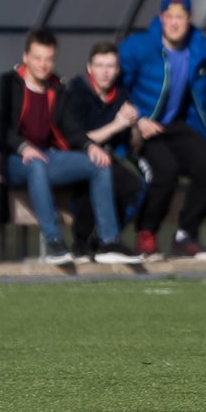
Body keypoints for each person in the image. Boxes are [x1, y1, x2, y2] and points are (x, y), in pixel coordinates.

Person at [0, 29, 143, 265]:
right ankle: (54, 242)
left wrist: (90, 146)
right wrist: (22, 147)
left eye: (48, 59)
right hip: (11, 160)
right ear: (26, 57)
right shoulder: (6, 83)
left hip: (46, 157)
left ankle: (108, 242)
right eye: (38, 58)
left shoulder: (57, 88)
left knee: (99, 163)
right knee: (36, 163)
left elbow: (70, 128)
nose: (43, 64)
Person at [120, 0, 206, 260]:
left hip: (177, 125)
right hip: (141, 127)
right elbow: (118, 89)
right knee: (165, 170)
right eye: (169, 17)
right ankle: (146, 233)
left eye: (181, 17)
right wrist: (138, 120)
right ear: (161, 18)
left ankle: (185, 235)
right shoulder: (138, 47)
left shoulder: (198, 46)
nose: (175, 23)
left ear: (189, 19)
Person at [63, 41, 147, 259]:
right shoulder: (76, 92)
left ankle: (105, 240)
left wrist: (134, 124)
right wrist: (117, 125)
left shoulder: (120, 95)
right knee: (92, 181)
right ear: (89, 68)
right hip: (74, 157)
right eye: (99, 66)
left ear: (117, 70)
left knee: (136, 188)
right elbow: (76, 139)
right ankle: (81, 243)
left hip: (107, 158)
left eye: (110, 66)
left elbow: (134, 144)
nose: (105, 72)